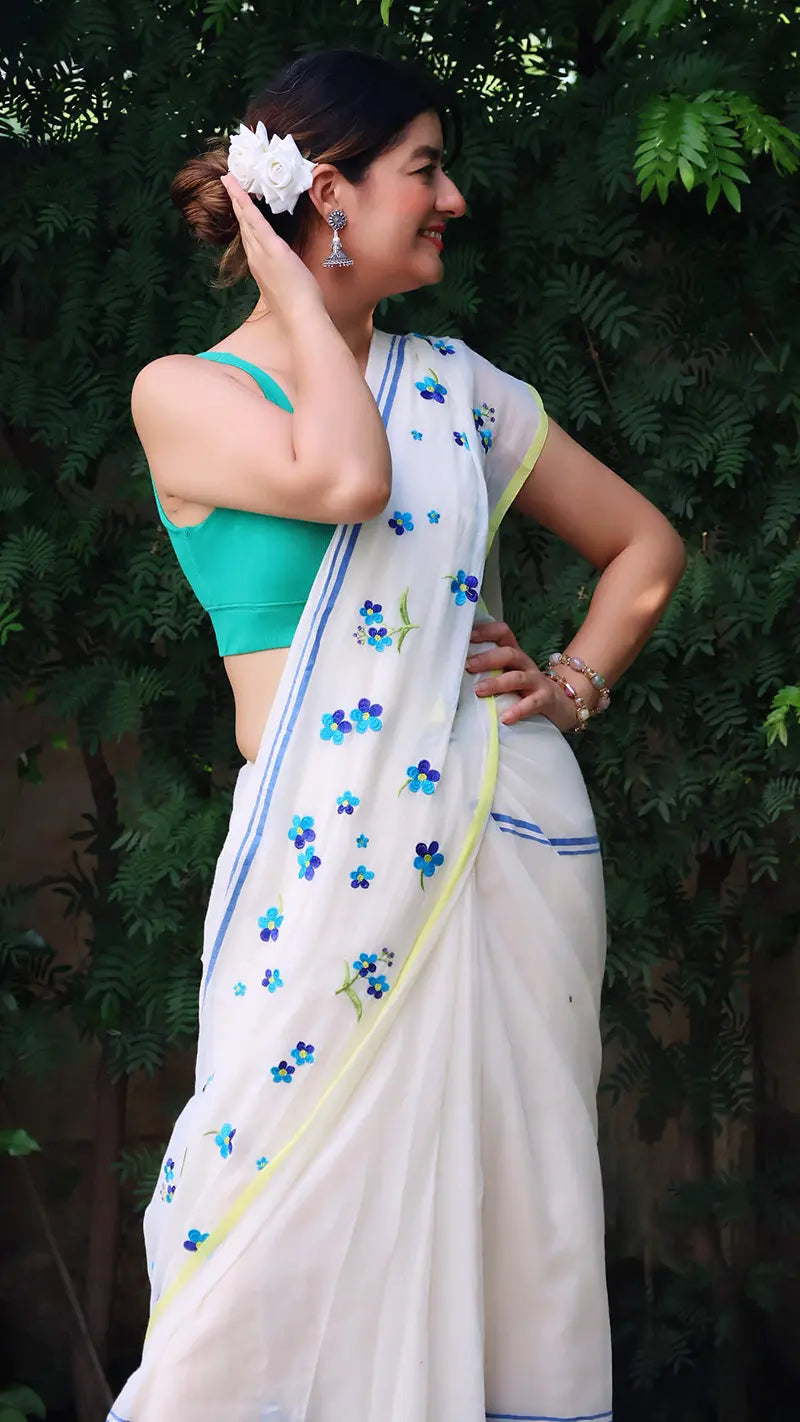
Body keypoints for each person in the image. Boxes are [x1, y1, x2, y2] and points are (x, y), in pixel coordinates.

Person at [110, 47, 685, 1422]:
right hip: (321, 873)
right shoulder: (183, 394)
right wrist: (290, 285)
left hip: (500, 848)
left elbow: (647, 551)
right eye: (426, 170)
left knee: (512, 1219)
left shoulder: (461, 391)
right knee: (262, 1218)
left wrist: (570, 685)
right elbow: (351, 474)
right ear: (330, 194)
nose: (454, 199)